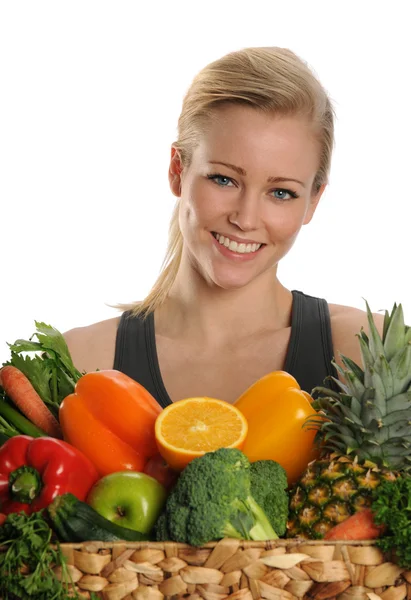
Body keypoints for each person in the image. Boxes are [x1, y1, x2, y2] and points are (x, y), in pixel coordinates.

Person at [64, 46, 383, 407]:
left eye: (281, 192)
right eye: (224, 179)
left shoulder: (368, 353)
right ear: (177, 171)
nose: (245, 219)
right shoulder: (78, 363)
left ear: (314, 200)